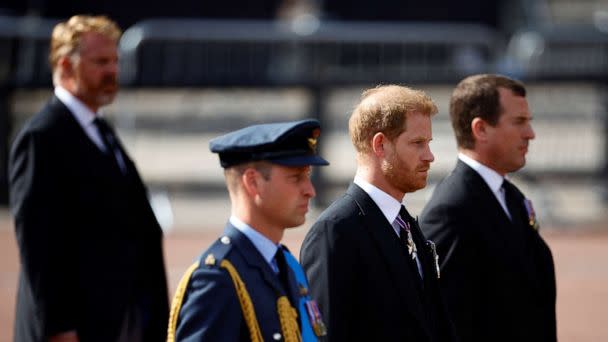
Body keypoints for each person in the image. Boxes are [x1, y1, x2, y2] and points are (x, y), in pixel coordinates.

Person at [9, 15, 169, 342]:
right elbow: (39, 245)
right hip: (77, 327)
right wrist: (60, 327)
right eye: (100, 62)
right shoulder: (43, 137)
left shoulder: (100, 131)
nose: (112, 72)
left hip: (115, 318)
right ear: (66, 66)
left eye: (115, 61)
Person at [300, 85, 457, 342]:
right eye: (417, 143)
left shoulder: (405, 224)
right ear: (380, 144)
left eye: (428, 143)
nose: (430, 156)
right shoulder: (336, 231)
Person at [419, 74, 557, 342]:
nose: (530, 134)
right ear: (480, 129)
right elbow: (441, 317)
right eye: (519, 122)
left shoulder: (511, 198)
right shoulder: (452, 209)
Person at [168, 119, 329, 342]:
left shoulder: (285, 265)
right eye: (296, 177)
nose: (310, 190)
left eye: (308, 177)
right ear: (253, 182)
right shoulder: (218, 279)